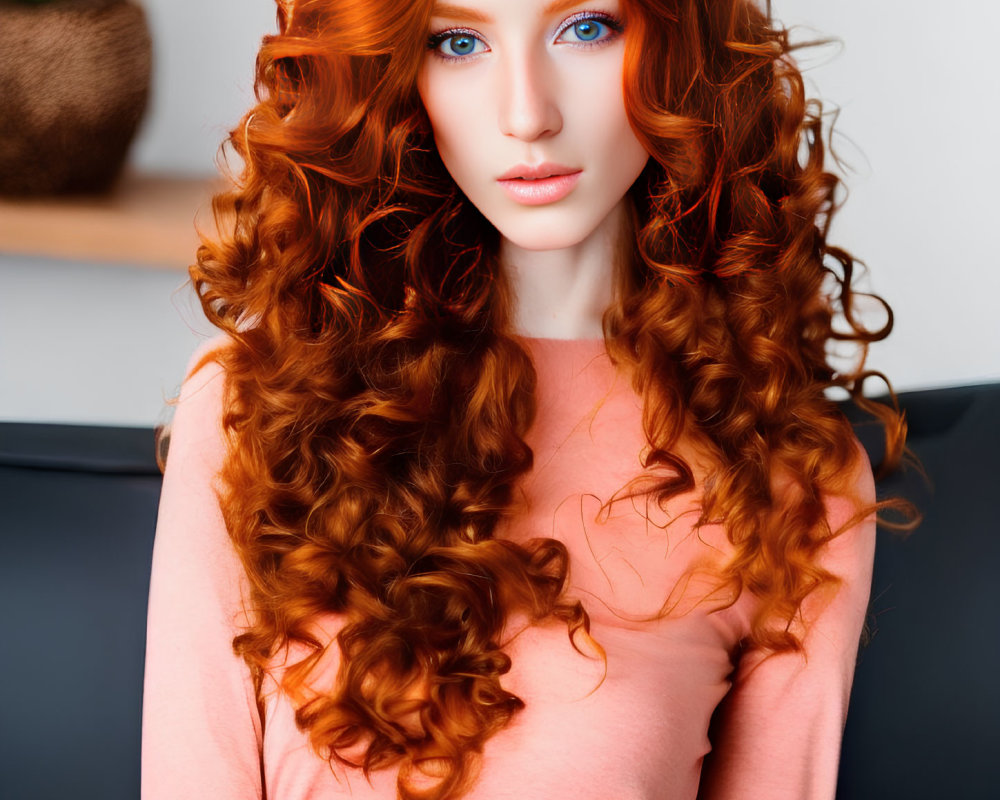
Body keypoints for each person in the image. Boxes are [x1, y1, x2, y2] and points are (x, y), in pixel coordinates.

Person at [141, 0, 908, 798]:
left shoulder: (792, 479)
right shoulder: (254, 404)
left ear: (685, 42)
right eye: (458, 41)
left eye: (585, 28)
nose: (526, 114)